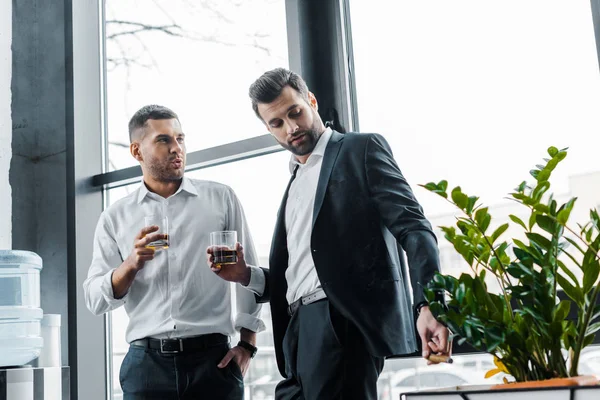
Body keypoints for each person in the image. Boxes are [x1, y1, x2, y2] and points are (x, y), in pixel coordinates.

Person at [207, 68, 451, 400]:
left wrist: (428, 304)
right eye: (277, 123)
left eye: (295, 112)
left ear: (311, 101)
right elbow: (297, 273)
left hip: (339, 323)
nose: (291, 127)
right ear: (268, 128)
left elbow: (414, 228)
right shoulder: (294, 182)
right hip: (295, 330)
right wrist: (245, 275)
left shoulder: (359, 150)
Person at [84, 104, 264, 400]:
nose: (176, 148)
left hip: (214, 363)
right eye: (163, 140)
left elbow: (249, 276)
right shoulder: (115, 216)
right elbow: (94, 299)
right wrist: (131, 264)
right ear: (136, 151)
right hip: (146, 367)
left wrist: (247, 345)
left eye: (180, 139)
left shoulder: (221, 199)